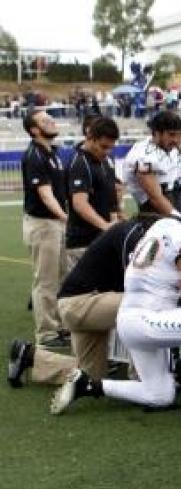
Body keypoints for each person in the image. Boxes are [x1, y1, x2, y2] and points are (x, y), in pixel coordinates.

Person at [50, 213, 181, 419]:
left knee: (160, 395)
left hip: (132, 320)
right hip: (146, 318)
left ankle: (88, 385)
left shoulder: (163, 229)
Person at [8, 217, 153, 388]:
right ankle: (145, 377)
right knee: (144, 305)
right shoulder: (133, 237)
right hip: (80, 304)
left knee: (91, 377)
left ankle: (28, 356)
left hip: (80, 304)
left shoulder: (132, 233)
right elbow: (139, 294)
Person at [21, 109, 70, 348]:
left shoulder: (54, 153)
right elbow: (45, 194)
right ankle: (47, 333)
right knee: (46, 281)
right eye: (45, 120)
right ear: (34, 130)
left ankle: (60, 325)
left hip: (55, 223)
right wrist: (65, 218)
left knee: (62, 277)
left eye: (51, 117)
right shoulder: (35, 156)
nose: (51, 120)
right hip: (43, 224)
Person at [65, 117, 120, 268]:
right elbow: (79, 203)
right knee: (84, 291)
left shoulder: (103, 161)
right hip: (83, 243)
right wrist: (105, 226)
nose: (107, 151)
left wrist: (116, 218)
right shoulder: (80, 163)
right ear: (90, 138)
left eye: (111, 147)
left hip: (101, 239)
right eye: (103, 147)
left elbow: (110, 196)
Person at [123, 111, 181, 216]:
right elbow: (155, 198)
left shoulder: (169, 148)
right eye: (171, 135)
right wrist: (179, 218)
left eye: (179, 135)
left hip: (172, 197)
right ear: (156, 133)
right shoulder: (143, 156)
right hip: (153, 209)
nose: (176, 140)